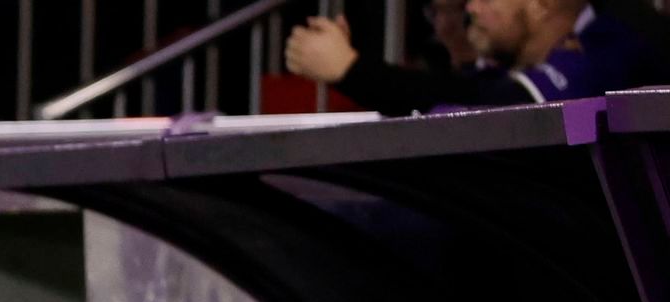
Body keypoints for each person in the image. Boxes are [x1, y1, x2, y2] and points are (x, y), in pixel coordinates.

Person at [285, 0, 668, 115]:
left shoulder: (618, 39)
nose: (471, 8)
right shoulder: (511, 66)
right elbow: (472, 90)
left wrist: (352, 71)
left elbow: (502, 110)